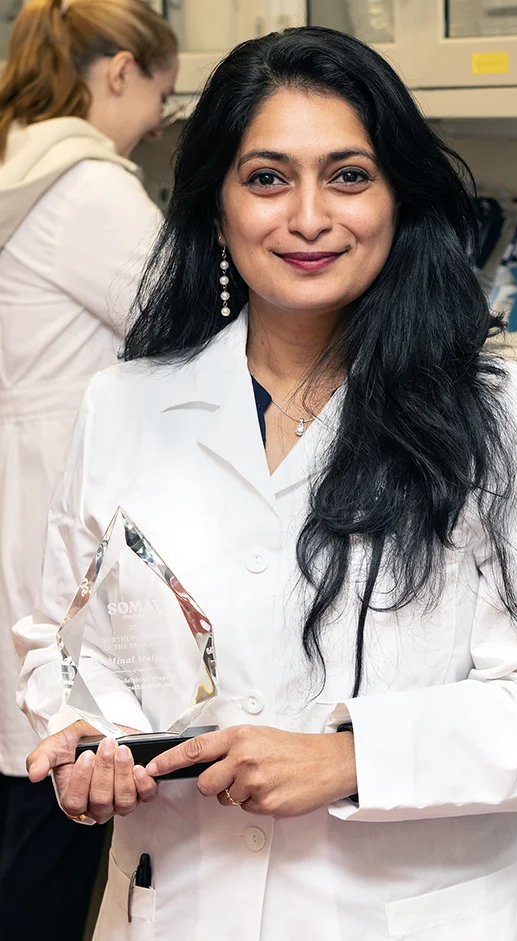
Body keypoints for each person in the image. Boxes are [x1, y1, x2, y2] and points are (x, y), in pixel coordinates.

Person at [14, 26, 517, 941]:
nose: (310, 216)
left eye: (349, 175)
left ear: (399, 197)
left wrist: (352, 757)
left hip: (411, 914)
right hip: (182, 905)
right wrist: (86, 748)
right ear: (215, 203)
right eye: (268, 177)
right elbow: (58, 643)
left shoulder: (502, 414)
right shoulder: (124, 403)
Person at [0, 1, 177, 937]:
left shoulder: (13, 158)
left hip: (16, 498)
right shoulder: (87, 188)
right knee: (54, 806)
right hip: (51, 522)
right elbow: (187, 324)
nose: (157, 119)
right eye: (161, 93)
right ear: (117, 72)